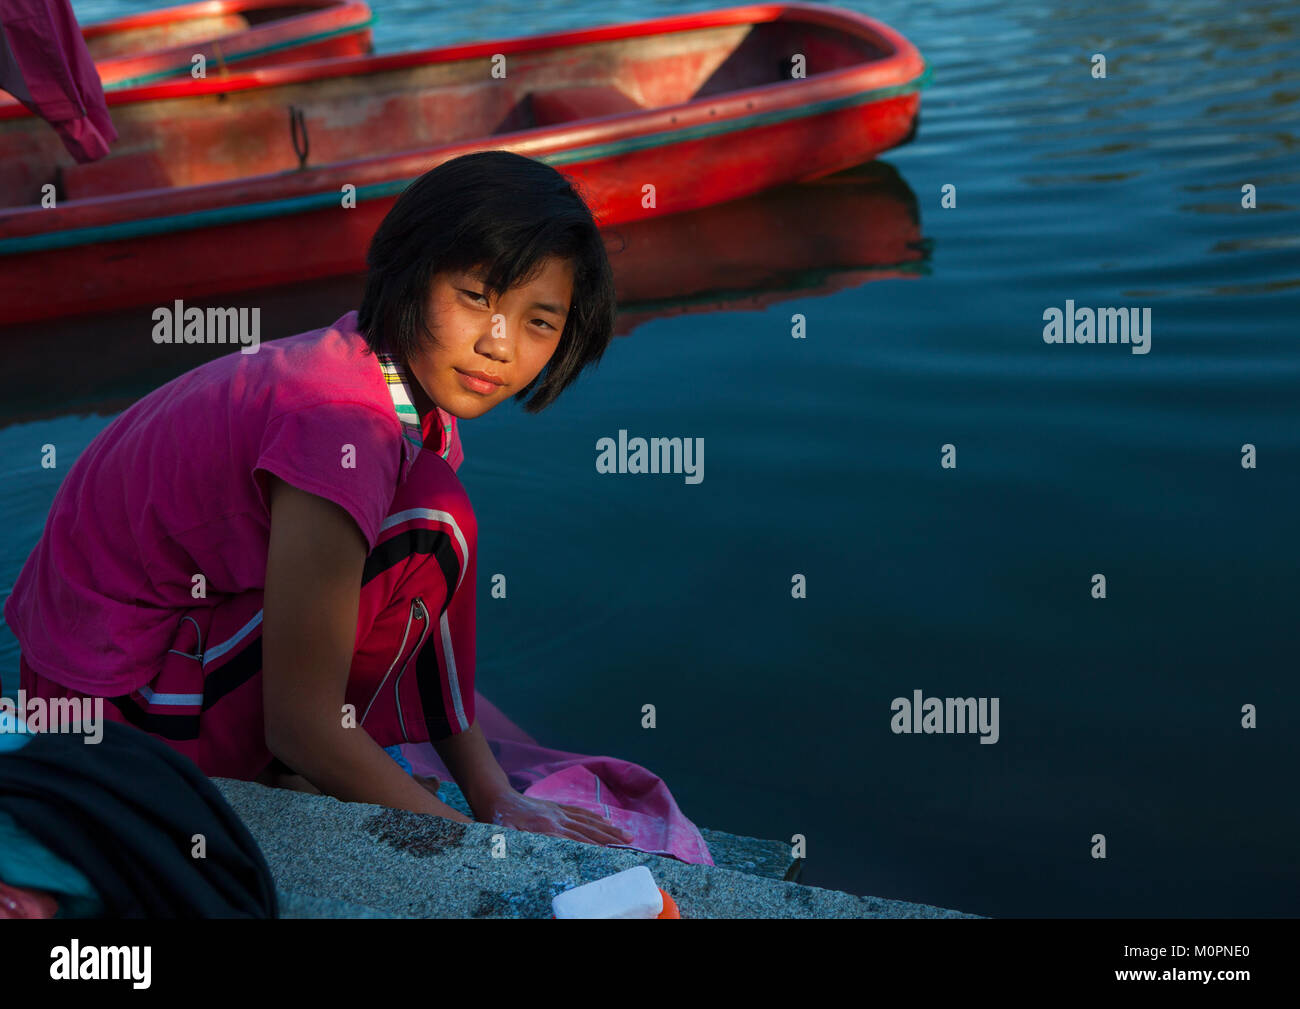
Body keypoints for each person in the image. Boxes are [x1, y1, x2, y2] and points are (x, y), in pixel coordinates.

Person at [4, 150, 631, 849]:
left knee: (428, 516)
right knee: (434, 521)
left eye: (539, 322)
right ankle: (279, 772)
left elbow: (428, 612)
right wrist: (476, 847)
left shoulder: (374, 367)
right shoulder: (343, 421)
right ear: (412, 271)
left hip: (99, 670)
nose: (498, 343)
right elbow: (299, 724)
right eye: (477, 296)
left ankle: (311, 766)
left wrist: (494, 793)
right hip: (119, 723)